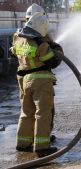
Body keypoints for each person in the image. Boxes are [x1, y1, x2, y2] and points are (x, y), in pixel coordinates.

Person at [10, 10, 63, 158]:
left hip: (25, 80)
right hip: (41, 80)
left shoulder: (19, 39)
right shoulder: (41, 43)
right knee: (43, 113)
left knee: (26, 112)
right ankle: (41, 147)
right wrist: (56, 47)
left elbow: (13, 53)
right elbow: (53, 61)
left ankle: (23, 144)